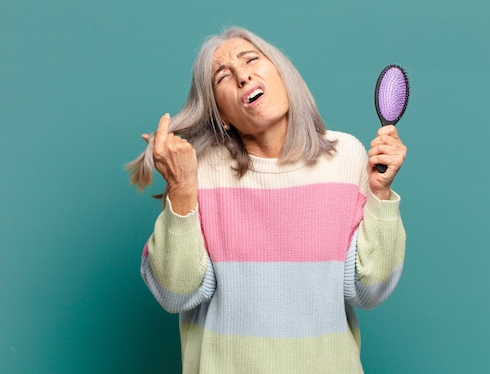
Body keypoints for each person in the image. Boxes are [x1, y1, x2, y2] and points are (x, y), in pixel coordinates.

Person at [127, 26, 407, 373]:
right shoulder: (199, 172)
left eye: (251, 60)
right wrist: (181, 189)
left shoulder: (346, 157)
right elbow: (175, 294)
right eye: (223, 77)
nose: (243, 75)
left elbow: (369, 291)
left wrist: (380, 195)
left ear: (282, 73)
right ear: (222, 116)